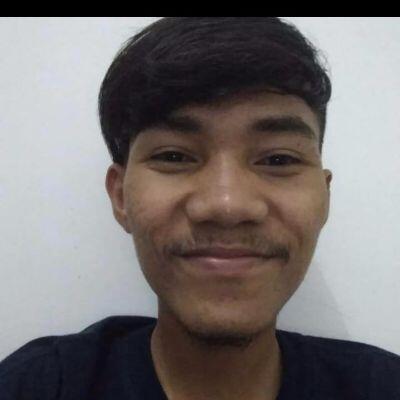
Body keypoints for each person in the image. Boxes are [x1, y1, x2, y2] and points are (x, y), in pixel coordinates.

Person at [0, 17, 399, 400]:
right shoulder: (36, 386)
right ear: (120, 196)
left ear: (325, 198)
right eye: (174, 156)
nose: (227, 205)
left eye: (278, 159)